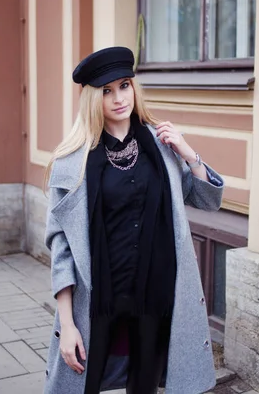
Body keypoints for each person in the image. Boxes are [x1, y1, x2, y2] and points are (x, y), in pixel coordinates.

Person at [42, 46, 224, 394]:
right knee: (84, 382)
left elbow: (206, 199)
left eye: (124, 85)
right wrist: (67, 325)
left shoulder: (162, 147)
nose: (118, 98)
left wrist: (188, 153)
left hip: (155, 294)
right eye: (106, 91)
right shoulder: (73, 162)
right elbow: (61, 249)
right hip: (98, 301)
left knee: (144, 387)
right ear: (93, 99)